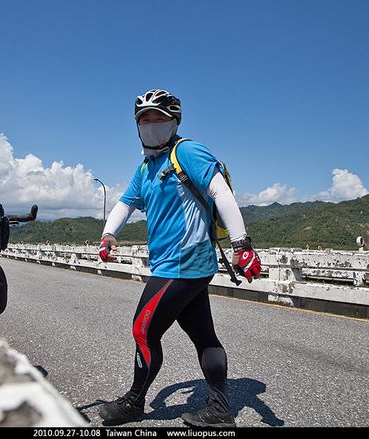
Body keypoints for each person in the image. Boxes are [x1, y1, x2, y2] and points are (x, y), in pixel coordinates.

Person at [97, 89, 262, 427]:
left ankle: (134, 401)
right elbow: (126, 203)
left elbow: (219, 191)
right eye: (144, 120)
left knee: (143, 330)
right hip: (185, 266)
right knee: (204, 336)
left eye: (159, 118)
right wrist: (108, 234)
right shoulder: (147, 168)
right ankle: (219, 410)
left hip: (183, 263)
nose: (151, 125)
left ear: (174, 121)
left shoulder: (186, 151)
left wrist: (242, 245)